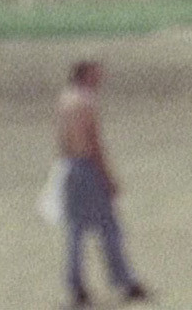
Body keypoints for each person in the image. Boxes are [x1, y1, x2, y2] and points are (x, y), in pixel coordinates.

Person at [56, 60, 148, 307]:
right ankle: (126, 281)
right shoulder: (86, 102)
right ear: (85, 74)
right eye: (96, 74)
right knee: (109, 227)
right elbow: (94, 144)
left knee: (76, 230)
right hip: (88, 168)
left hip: (70, 167)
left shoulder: (65, 100)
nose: (100, 78)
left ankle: (76, 287)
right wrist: (108, 177)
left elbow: (62, 141)